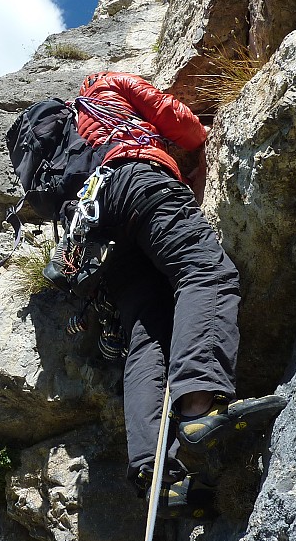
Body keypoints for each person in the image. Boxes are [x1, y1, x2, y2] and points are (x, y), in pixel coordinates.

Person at [72, 71, 284, 506]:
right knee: (204, 272)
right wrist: (207, 135)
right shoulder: (107, 84)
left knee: (147, 336)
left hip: (98, 229)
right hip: (137, 180)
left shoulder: (75, 136)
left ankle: (158, 477)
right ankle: (199, 406)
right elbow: (179, 122)